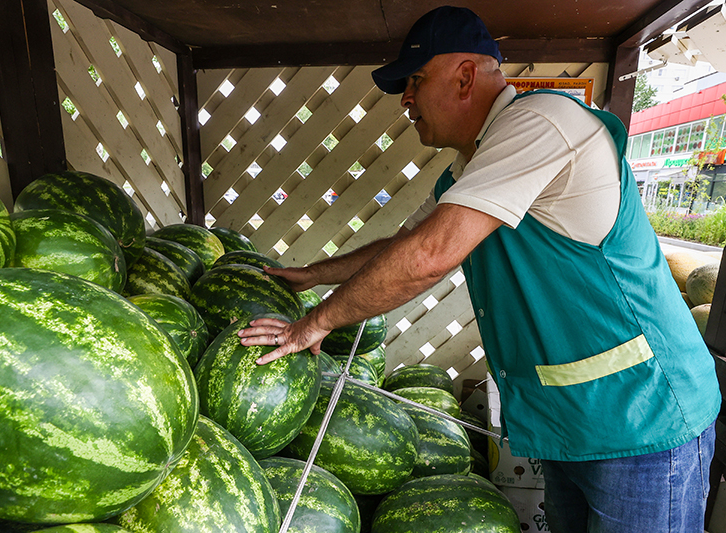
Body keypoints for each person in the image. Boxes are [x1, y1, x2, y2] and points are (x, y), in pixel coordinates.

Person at [238, 5, 721, 532]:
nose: (405, 99)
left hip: (644, 419)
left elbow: (428, 256)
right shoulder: (470, 170)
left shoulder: (540, 123)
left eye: (414, 81)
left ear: (466, 75)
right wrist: (314, 275)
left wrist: (315, 323)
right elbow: (404, 245)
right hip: (577, 423)